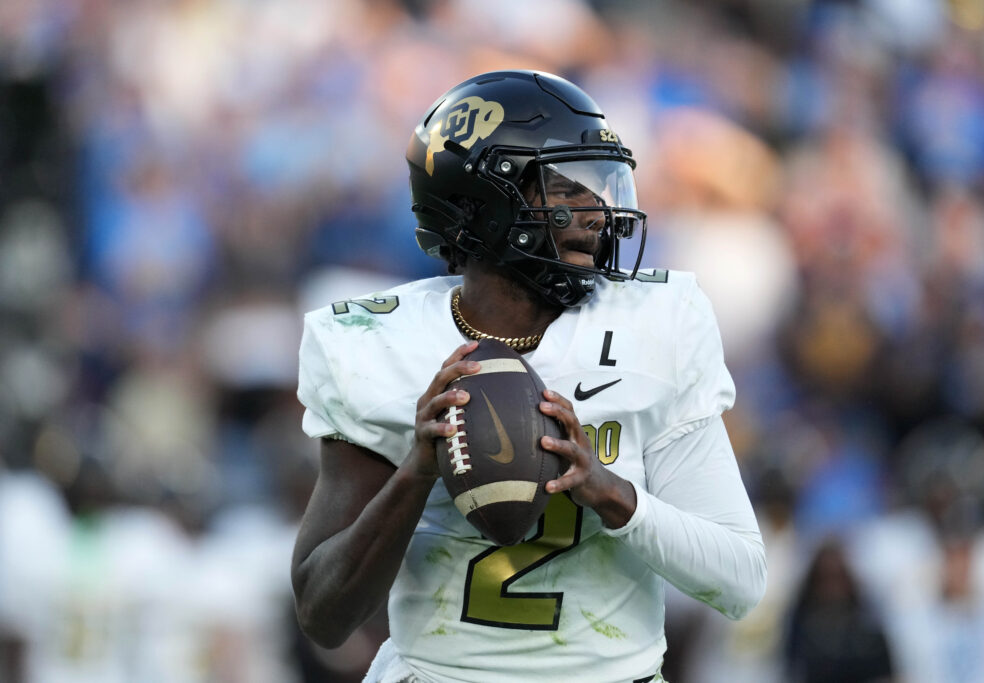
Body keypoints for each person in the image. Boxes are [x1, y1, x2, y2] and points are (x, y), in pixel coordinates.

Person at [292, 70, 766, 683]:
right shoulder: (377, 344)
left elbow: (739, 579)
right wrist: (416, 470)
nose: (598, 213)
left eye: (602, 185)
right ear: (480, 206)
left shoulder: (660, 323)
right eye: (568, 189)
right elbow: (323, 616)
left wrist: (612, 493)